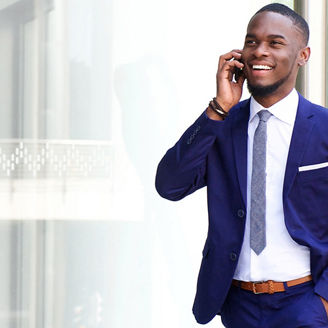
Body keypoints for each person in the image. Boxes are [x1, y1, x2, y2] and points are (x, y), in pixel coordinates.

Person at [155, 3, 328, 328]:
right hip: (238, 306)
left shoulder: (324, 128)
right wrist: (219, 108)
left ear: (303, 55)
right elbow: (169, 185)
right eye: (251, 42)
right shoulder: (221, 125)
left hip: (305, 305)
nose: (259, 51)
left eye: (275, 43)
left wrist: (323, 302)